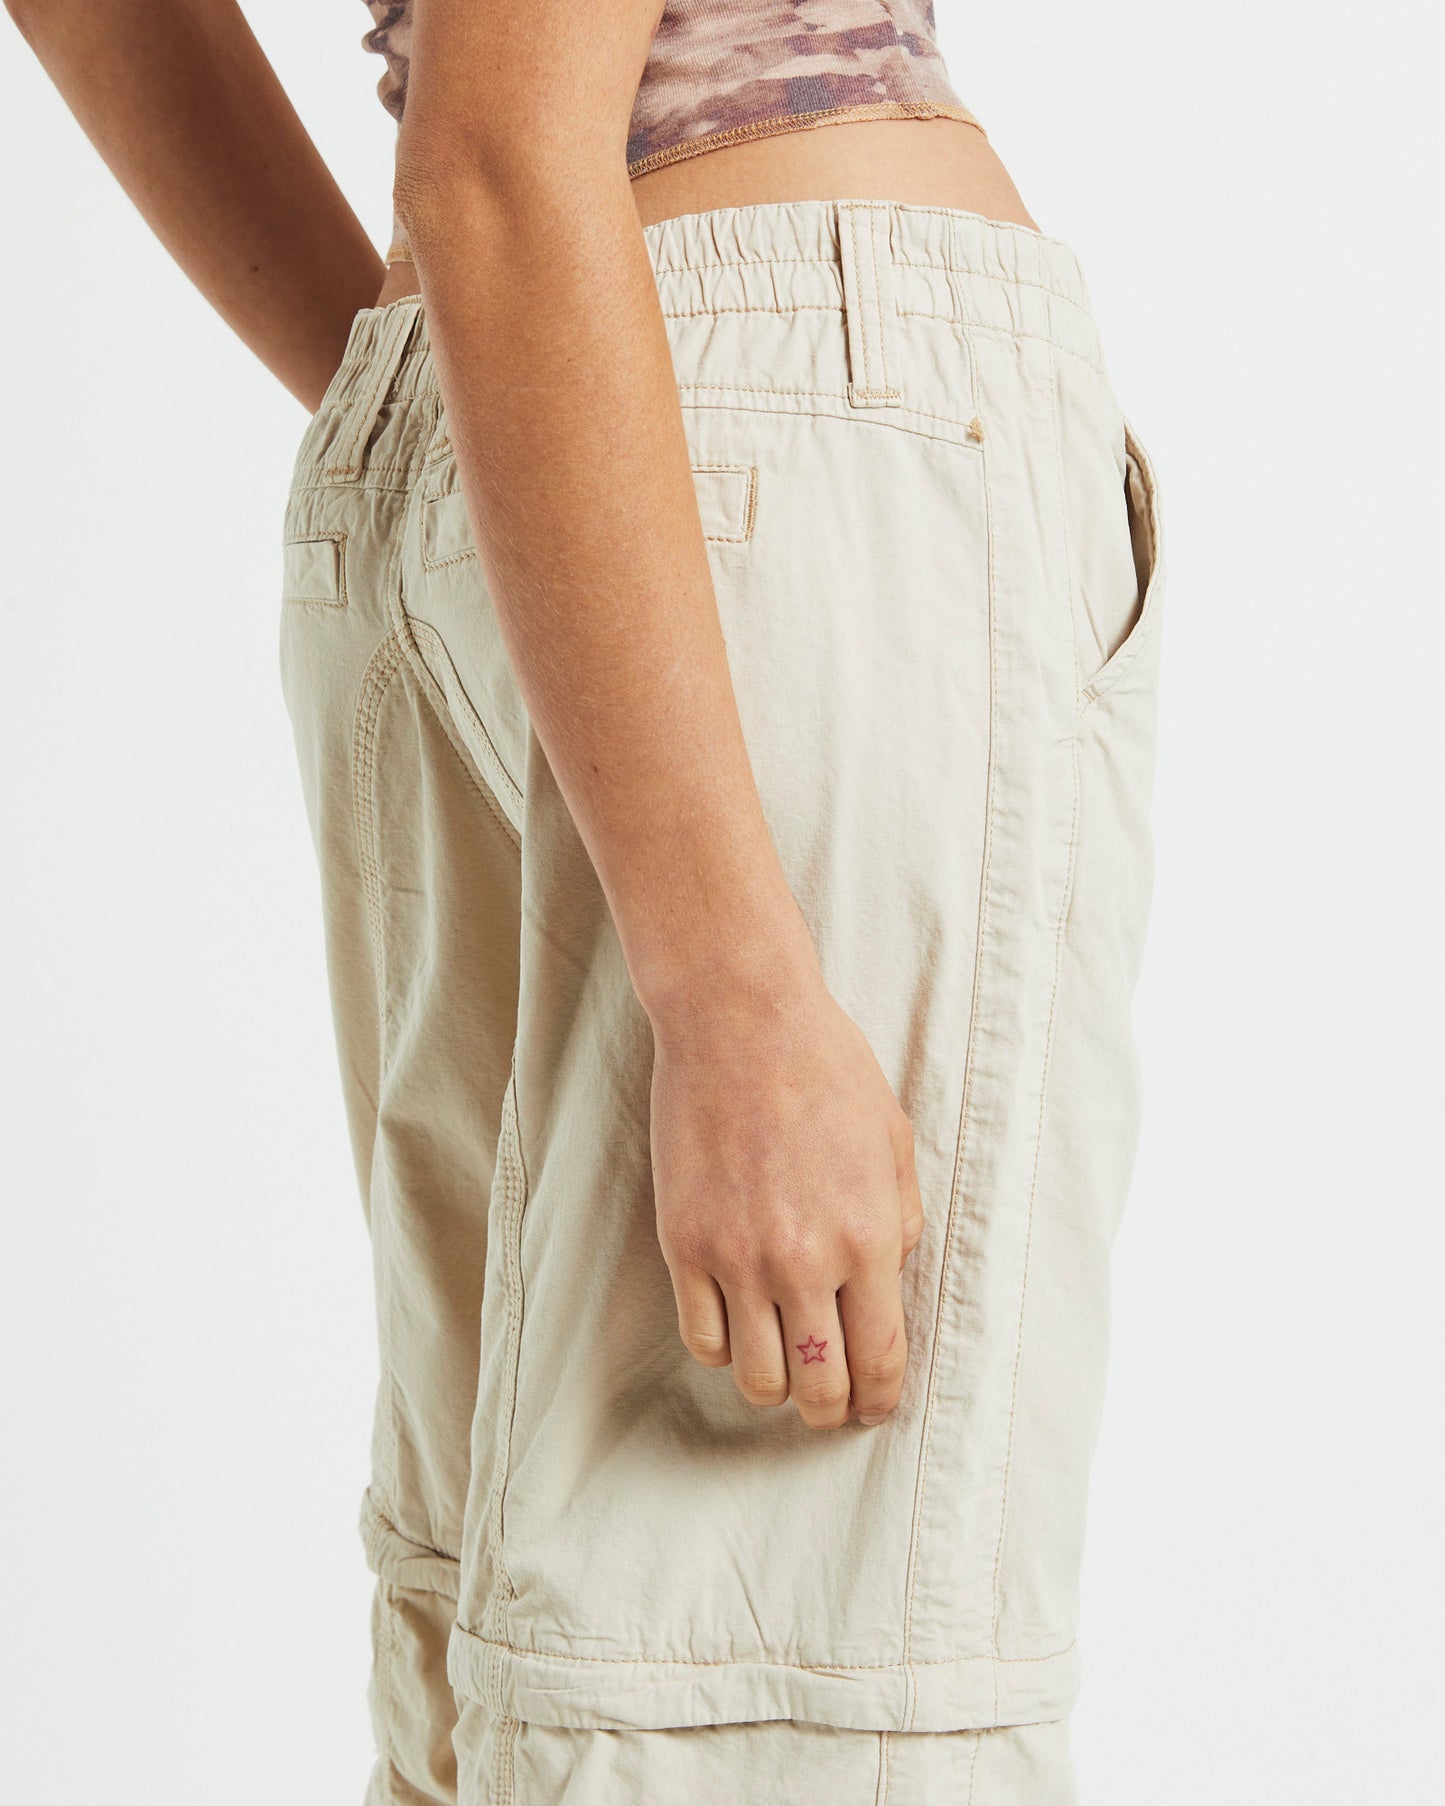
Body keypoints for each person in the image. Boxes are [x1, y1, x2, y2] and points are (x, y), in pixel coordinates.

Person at [11, 2, 1162, 1800]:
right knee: (768, 1689)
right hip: (787, 428)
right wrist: (734, 990)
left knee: (548, 1667)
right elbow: (497, 152)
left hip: (561, 421)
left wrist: (471, 411)